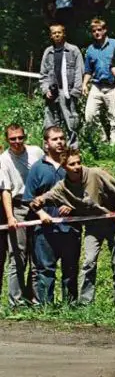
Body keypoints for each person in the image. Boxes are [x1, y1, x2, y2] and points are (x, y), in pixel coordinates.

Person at [31, 148, 115, 305]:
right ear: (64, 167)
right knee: (88, 262)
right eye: (72, 164)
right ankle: (85, 302)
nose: (77, 167)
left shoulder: (95, 174)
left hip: (113, 222)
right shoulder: (62, 187)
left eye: (78, 163)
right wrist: (40, 205)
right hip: (93, 226)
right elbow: (43, 198)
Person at [23, 126, 81, 306]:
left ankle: (70, 307)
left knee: (70, 270)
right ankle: (46, 309)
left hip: (70, 227)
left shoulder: (72, 165)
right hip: (45, 229)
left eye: (62, 138)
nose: (60, 142)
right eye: (55, 139)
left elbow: (84, 193)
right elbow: (29, 198)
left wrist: (72, 206)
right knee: (45, 270)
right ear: (46, 143)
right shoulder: (37, 169)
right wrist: (40, 213)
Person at [0, 124, 44, 307]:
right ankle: (15, 302)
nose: (17, 142)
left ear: (25, 136)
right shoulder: (3, 160)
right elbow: (6, 190)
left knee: (37, 256)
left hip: (38, 206)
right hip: (18, 207)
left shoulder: (36, 152)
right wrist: (10, 216)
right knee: (18, 256)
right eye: (13, 139)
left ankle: (33, 298)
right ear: (7, 140)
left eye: (20, 137)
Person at [39, 24, 83, 147]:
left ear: (64, 34)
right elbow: (44, 74)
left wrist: (75, 92)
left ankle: (72, 150)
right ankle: (50, 151)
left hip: (67, 92)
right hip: (52, 93)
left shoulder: (73, 50)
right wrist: (45, 90)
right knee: (50, 123)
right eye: (54, 33)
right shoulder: (48, 52)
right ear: (51, 35)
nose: (57, 35)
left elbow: (79, 72)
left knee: (71, 123)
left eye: (59, 32)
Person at [82, 18, 115, 143]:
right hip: (97, 86)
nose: (97, 33)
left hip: (113, 86)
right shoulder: (91, 49)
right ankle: (102, 141)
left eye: (99, 30)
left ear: (105, 30)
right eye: (94, 31)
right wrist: (84, 84)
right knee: (90, 116)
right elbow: (88, 70)